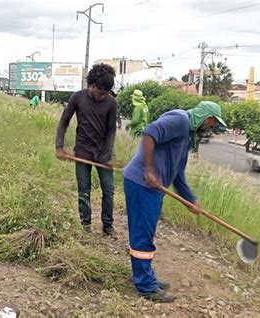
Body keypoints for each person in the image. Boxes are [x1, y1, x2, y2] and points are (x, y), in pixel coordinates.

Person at [123, 101, 227, 302]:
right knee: (142, 234)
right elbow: (150, 133)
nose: (210, 129)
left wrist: (190, 200)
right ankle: (146, 286)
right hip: (142, 183)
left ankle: (146, 277)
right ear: (207, 119)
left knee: (147, 232)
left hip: (153, 188)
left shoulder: (187, 136)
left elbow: (178, 172)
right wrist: (150, 170)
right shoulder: (180, 119)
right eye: (212, 124)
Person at [55, 63, 117, 236]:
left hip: (103, 153)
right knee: (84, 191)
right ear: (92, 85)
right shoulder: (78, 98)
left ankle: (107, 225)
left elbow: (111, 129)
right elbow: (63, 122)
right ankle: (85, 226)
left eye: (106, 94)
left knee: (108, 190)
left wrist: (109, 152)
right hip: (83, 151)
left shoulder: (111, 103)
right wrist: (59, 146)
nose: (102, 97)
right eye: (100, 93)